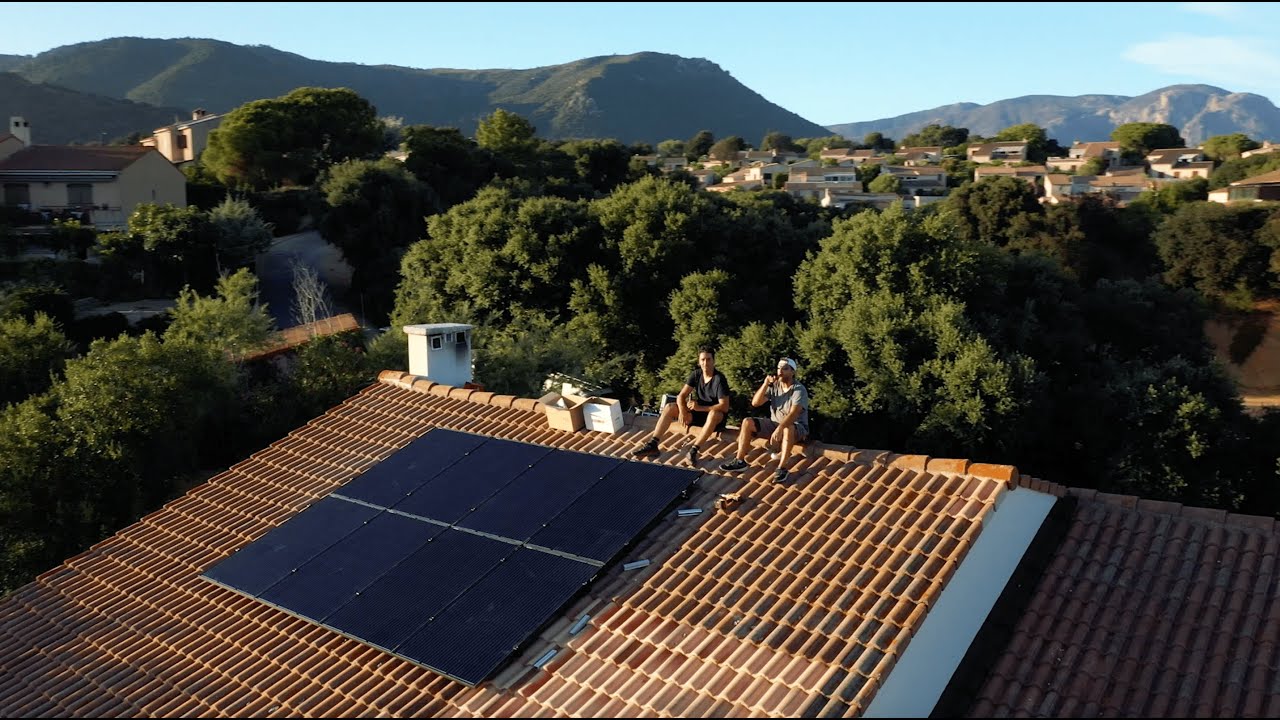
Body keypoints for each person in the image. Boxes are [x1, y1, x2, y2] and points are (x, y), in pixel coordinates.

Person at [632, 346, 730, 466]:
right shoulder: (696, 375)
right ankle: (653, 444)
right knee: (670, 407)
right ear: (699, 361)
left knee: (714, 414)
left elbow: (724, 406)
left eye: (708, 359)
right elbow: (681, 396)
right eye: (703, 360)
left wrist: (700, 408)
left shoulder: (719, 379)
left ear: (713, 361)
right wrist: (683, 411)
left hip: (715, 418)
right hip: (698, 414)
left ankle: (693, 450)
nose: (705, 363)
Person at [719, 357, 809, 483]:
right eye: (779, 368)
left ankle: (782, 468)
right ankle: (740, 461)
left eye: (785, 369)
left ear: (792, 372)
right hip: (775, 424)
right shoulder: (774, 386)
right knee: (747, 422)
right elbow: (756, 403)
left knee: (788, 428)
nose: (781, 371)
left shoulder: (799, 389)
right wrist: (766, 384)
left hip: (796, 427)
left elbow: (794, 413)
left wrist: (780, 428)